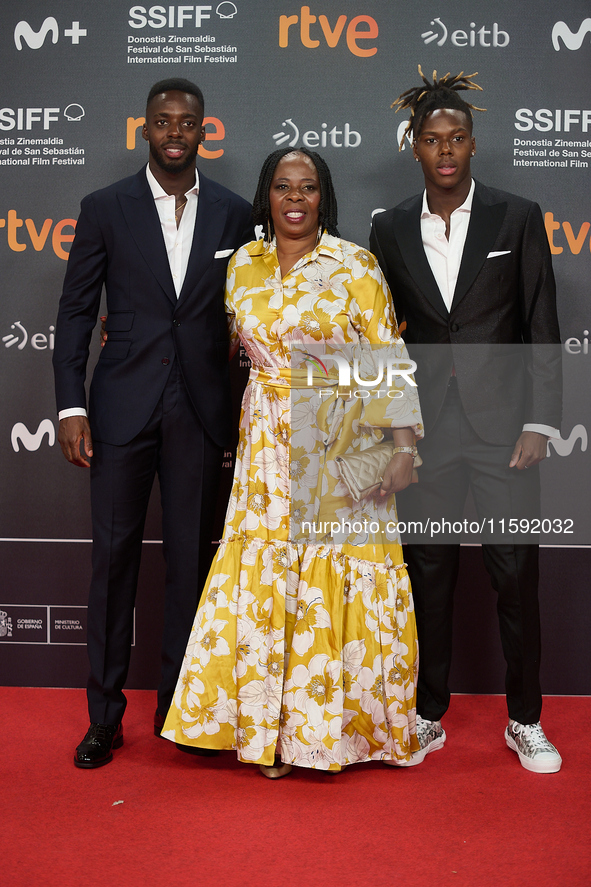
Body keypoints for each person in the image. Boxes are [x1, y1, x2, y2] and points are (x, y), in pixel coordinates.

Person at [162, 147, 424, 777]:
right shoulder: (243, 267)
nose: (296, 199)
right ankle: (267, 734)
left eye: (308, 188)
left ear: (323, 197)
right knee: (264, 580)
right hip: (265, 448)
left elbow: (388, 356)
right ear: (267, 194)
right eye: (283, 186)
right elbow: (216, 344)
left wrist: (405, 445)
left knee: (336, 574)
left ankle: (336, 735)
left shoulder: (355, 264)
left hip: (341, 441)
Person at [53, 78, 253, 769]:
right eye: (163, 121)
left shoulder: (234, 212)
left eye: (187, 121)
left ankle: (181, 710)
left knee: (191, 565)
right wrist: (71, 405)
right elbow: (77, 311)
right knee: (112, 561)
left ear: (204, 130)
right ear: (145, 128)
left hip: (200, 408)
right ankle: (103, 717)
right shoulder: (104, 207)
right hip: (120, 408)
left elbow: (251, 306)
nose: (175, 130)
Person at [370, 68, 562, 773]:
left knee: (515, 575)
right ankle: (426, 713)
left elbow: (541, 323)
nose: (444, 150)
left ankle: (525, 719)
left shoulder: (517, 215)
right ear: (413, 148)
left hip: (504, 429)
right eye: (431, 139)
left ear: (472, 145)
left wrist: (541, 420)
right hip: (426, 432)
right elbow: (383, 335)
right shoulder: (386, 227)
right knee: (429, 575)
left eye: (455, 139)